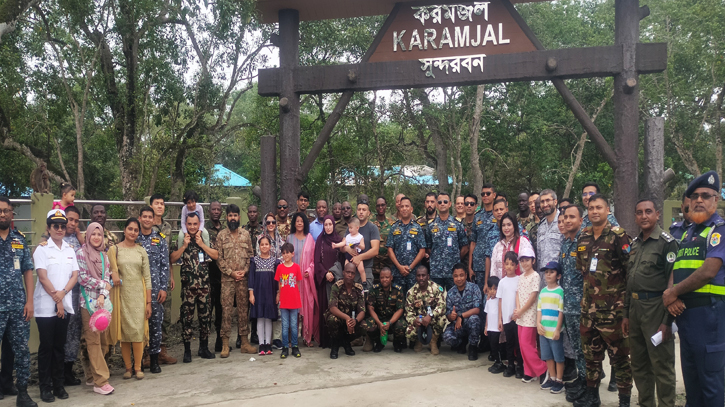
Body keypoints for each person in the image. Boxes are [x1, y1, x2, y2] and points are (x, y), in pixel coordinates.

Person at [663, 171, 725, 407]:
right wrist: (670, 297)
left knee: (710, 384)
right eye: (695, 196)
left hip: (709, 317)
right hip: (686, 315)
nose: (699, 200)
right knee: (692, 383)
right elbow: (675, 269)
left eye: (706, 196)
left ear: (715, 200)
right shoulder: (688, 233)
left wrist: (674, 293)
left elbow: (709, 270)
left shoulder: (719, 230)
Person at [575, 193, 632, 407]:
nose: (595, 211)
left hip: (613, 312)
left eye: (599, 207)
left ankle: (624, 400)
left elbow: (630, 271)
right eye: (591, 208)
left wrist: (625, 308)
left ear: (608, 210)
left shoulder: (619, 236)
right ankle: (592, 397)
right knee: (591, 357)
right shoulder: (583, 237)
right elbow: (582, 270)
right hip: (589, 311)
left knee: (620, 359)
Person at [622, 199, 677, 407]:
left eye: (648, 212)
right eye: (639, 213)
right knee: (639, 364)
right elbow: (630, 282)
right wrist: (626, 314)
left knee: (661, 365)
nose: (643, 216)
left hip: (656, 308)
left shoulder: (667, 243)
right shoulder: (635, 244)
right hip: (636, 310)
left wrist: (667, 321)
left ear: (657, 214)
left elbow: (673, 284)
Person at [33, 209, 79, 402]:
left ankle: (58, 385)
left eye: (62, 225)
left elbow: (75, 276)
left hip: (64, 306)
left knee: (60, 347)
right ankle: (45, 388)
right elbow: (43, 278)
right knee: (46, 347)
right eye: (55, 226)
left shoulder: (69, 249)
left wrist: (62, 297)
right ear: (49, 228)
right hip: (45, 308)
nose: (60, 229)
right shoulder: (42, 250)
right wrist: (57, 299)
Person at [0, 198, 37, 407]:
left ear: (12, 213)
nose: (3, 214)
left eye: (6, 211)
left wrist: (29, 301)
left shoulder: (19, 239)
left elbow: (28, 271)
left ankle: (22, 393)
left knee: (22, 351)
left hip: (18, 306)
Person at [170, 212, 217, 363]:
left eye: (195, 224)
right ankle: (187, 350)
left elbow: (216, 255)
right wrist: (184, 246)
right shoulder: (182, 239)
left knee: (205, 318)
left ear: (199, 224)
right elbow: (172, 258)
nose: (192, 227)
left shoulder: (204, 237)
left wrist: (202, 244)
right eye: (189, 224)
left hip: (204, 287)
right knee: (187, 319)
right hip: (188, 288)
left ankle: (204, 348)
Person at [109, 218, 151, 380]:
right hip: (121, 297)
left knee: (137, 332)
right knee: (125, 332)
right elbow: (110, 271)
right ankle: (128, 368)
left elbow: (147, 278)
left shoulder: (141, 251)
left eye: (135, 230)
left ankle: (138, 367)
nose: (133, 232)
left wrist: (148, 303)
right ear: (124, 230)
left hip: (139, 298)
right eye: (130, 229)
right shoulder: (114, 250)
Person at [75, 223, 114, 395]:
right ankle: (101, 381)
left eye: (100, 234)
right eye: (93, 234)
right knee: (93, 342)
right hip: (87, 305)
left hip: (103, 304)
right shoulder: (81, 253)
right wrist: (102, 286)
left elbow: (108, 278)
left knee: (104, 342)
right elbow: (82, 278)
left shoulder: (104, 256)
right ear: (88, 236)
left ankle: (91, 375)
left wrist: (102, 294)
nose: (97, 237)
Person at [216, 204, 256, 356]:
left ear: (239, 217)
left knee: (243, 310)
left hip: (243, 280)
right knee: (226, 311)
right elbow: (219, 259)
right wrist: (231, 273)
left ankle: (245, 342)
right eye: (230, 215)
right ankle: (225, 344)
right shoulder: (221, 236)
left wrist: (245, 271)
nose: (233, 218)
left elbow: (251, 256)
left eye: (235, 215)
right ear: (227, 217)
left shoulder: (245, 235)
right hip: (227, 280)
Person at [559, 205, 588, 402]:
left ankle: (588, 384)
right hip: (567, 305)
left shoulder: (584, 242)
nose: (568, 220)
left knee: (585, 348)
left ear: (580, 220)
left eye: (572, 217)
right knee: (577, 347)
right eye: (565, 217)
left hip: (581, 306)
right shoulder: (565, 243)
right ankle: (582, 378)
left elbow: (589, 275)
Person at [136, 207, 169, 374]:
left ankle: (155, 360)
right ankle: (140, 361)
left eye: (150, 217)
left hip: (156, 290)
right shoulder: (134, 237)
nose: (148, 219)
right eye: (145, 217)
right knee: (138, 325)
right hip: (137, 289)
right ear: (140, 218)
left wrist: (163, 288)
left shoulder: (160, 239)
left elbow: (165, 265)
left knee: (156, 324)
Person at [513, 246, 548, 384]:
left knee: (527, 345)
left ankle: (542, 368)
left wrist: (522, 310)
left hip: (530, 315)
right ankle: (530, 372)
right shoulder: (520, 277)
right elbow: (517, 293)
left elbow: (533, 296)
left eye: (527, 260)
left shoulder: (535, 276)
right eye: (522, 261)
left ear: (533, 261)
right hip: (521, 315)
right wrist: (518, 309)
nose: (524, 263)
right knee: (522, 345)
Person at [149, 193, 176, 365]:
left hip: (165, 276)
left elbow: (169, 256)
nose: (160, 206)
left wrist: (171, 276)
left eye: (162, 203)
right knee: (148, 314)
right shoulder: (144, 226)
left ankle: (162, 351)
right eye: (157, 203)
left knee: (165, 315)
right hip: (149, 277)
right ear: (151, 206)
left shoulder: (167, 228)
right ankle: (146, 354)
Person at [285, 212, 317, 347]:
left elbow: (313, 260)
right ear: (294, 223)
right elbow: (285, 257)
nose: (299, 223)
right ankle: (292, 339)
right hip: (291, 280)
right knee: (292, 308)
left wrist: (309, 270)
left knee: (307, 307)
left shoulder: (310, 239)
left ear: (305, 223)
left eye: (301, 221)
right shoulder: (289, 238)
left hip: (305, 279)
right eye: (297, 221)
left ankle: (307, 337)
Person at [314, 216, 345, 348]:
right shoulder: (320, 240)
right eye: (325, 225)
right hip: (324, 281)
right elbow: (316, 261)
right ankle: (326, 340)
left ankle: (338, 340)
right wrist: (326, 273)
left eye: (330, 225)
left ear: (333, 225)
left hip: (337, 281)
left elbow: (343, 259)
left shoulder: (339, 241)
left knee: (338, 309)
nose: (328, 227)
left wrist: (334, 273)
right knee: (325, 308)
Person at [426, 192, 468, 291]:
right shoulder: (431, 225)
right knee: (435, 300)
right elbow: (428, 247)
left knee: (454, 300)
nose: (442, 204)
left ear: (449, 204)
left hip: (453, 272)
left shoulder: (457, 224)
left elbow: (465, 247)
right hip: (436, 271)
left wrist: (455, 257)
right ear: (436, 205)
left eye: (445, 201)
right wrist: (437, 258)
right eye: (440, 202)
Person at [325, 263, 366, 359]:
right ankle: (335, 345)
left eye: (352, 273)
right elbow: (332, 307)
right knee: (332, 320)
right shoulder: (336, 286)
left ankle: (346, 342)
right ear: (343, 273)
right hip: (339, 317)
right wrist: (347, 318)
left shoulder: (359, 289)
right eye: (348, 272)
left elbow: (362, 311)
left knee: (365, 325)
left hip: (352, 319)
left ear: (355, 275)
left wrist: (354, 321)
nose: (350, 275)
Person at [387, 196, 427, 294]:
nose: (404, 208)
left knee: (414, 302)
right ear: (399, 209)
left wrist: (410, 268)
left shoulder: (418, 228)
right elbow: (390, 249)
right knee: (398, 302)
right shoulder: (394, 227)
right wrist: (399, 267)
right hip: (397, 273)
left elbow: (422, 251)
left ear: (411, 209)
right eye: (402, 206)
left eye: (407, 206)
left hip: (414, 274)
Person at [537, 261, 566, 394]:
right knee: (548, 356)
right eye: (546, 272)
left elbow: (561, 312)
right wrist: (538, 324)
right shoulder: (542, 292)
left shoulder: (560, 292)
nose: (548, 275)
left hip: (554, 332)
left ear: (558, 276)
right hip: (543, 331)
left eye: (552, 272)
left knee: (558, 357)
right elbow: (539, 310)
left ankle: (559, 380)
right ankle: (552, 378)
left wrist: (558, 329)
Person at [248, 236, 280, 355]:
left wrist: (278, 293)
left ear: (270, 246)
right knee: (260, 318)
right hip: (258, 293)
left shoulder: (275, 262)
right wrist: (251, 294)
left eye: (267, 244)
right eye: (262, 244)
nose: (264, 246)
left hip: (270, 293)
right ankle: (261, 344)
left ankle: (268, 344)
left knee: (268, 318)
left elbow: (277, 280)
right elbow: (251, 278)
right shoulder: (254, 261)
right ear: (259, 246)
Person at [443, 263, 481, 361]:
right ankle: (461, 342)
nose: (459, 279)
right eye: (456, 276)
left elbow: (477, 309)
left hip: (470, 323)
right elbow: (448, 315)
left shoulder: (474, 288)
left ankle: (473, 347)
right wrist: (452, 316)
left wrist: (461, 316)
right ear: (453, 277)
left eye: (461, 275)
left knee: (474, 319)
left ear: (466, 275)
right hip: (458, 325)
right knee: (447, 337)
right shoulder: (451, 292)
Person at [404, 265, 446, 355]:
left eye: (423, 275)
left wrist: (430, 315)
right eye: (418, 275)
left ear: (428, 276)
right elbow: (408, 312)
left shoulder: (436, 288)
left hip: (432, 319)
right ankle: (419, 340)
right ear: (416, 277)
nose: (421, 278)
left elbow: (442, 306)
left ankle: (433, 341)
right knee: (409, 332)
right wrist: (414, 321)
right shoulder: (411, 292)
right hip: (419, 320)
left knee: (442, 320)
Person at [470, 198, 508, 294]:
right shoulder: (491, 232)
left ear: (506, 210)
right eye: (496, 210)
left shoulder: (515, 228)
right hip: (494, 275)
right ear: (493, 213)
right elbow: (488, 258)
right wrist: (487, 281)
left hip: (510, 274)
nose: (499, 212)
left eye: (501, 209)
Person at [363, 267, 406, 352]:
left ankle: (397, 343)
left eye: (387, 277)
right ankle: (378, 342)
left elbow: (400, 309)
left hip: (393, 320)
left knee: (402, 325)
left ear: (391, 278)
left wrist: (390, 323)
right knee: (368, 325)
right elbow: (370, 308)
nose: (384, 280)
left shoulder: (398, 290)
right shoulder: (374, 289)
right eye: (382, 277)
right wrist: (379, 323)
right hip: (379, 319)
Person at [343, 198, 380, 291]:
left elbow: (375, 250)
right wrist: (347, 249)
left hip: (366, 269)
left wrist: (359, 257)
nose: (361, 212)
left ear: (369, 213)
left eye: (364, 210)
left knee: (366, 299)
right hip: (351, 270)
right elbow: (342, 247)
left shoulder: (373, 228)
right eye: (359, 209)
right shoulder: (351, 228)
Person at [497, 251, 523, 379]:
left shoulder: (520, 280)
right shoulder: (502, 282)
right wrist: (500, 319)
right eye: (506, 264)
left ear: (517, 266)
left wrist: (518, 313)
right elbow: (500, 300)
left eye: (512, 264)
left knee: (519, 344)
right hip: (506, 318)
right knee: (509, 343)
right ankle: (510, 365)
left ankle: (520, 366)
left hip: (517, 318)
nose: (509, 267)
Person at [275, 243, 302, 359]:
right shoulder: (280, 268)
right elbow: (279, 284)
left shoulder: (296, 267)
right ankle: (285, 347)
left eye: (288, 253)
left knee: (294, 325)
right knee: (285, 325)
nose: (286, 255)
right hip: (284, 302)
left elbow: (298, 283)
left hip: (294, 301)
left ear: (292, 254)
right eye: (283, 253)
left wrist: (294, 294)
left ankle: (295, 346)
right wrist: (278, 295)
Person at [489, 213, 534, 280]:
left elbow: (528, 266)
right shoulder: (498, 246)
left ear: (514, 226)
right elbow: (493, 269)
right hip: (501, 286)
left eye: (509, 225)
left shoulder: (523, 242)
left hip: (521, 285)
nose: (506, 228)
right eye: (503, 225)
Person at [206, 201, 224, 352]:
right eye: (214, 209)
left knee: (221, 310)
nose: (216, 211)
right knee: (206, 311)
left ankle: (219, 340)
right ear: (209, 211)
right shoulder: (203, 229)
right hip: (206, 275)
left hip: (222, 276)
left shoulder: (225, 230)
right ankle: (203, 345)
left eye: (219, 209)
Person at [333, 218, 367, 287]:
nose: (349, 230)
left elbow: (363, 247)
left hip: (357, 256)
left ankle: (364, 282)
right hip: (348, 256)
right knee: (346, 268)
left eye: (351, 228)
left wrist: (358, 245)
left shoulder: (360, 237)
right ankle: (344, 282)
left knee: (361, 269)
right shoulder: (347, 236)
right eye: (349, 228)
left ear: (357, 228)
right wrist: (336, 245)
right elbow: (343, 243)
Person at [536, 189, 563, 275]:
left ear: (555, 202)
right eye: (542, 201)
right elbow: (539, 256)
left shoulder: (563, 221)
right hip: (544, 277)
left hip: (559, 276)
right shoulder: (541, 227)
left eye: (548, 200)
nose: (545, 204)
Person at [372, 196, 396, 281]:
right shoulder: (370, 223)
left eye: (382, 205)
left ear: (386, 206)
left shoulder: (392, 222)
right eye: (378, 206)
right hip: (373, 267)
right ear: (376, 207)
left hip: (388, 265)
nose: (380, 207)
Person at [484, 276, 504, 374]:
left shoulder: (499, 301)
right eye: (490, 289)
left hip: (496, 328)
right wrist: (486, 326)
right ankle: (496, 362)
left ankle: (500, 363)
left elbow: (501, 313)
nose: (492, 291)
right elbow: (487, 314)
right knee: (492, 346)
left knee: (496, 345)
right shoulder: (488, 301)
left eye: (495, 289)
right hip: (490, 327)